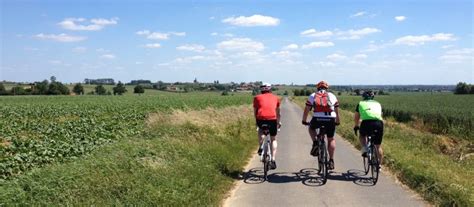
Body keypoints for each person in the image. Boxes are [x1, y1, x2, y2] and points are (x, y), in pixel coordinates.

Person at [302, 81, 340, 170]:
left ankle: (315, 142)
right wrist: (337, 120)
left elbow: (307, 109)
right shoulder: (332, 95)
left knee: (311, 128)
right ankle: (331, 160)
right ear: (327, 88)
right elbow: (337, 109)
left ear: (317, 88)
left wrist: (304, 120)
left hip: (317, 119)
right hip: (330, 119)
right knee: (330, 139)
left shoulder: (313, 95)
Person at [254, 83, 281, 169]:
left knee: (260, 130)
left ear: (261, 90)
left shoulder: (257, 98)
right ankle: (272, 160)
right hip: (272, 119)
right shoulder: (276, 98)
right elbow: (278, 113)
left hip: (261, 119)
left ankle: (261, 146)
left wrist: (256, 121)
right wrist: (278, 122)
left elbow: (255, 111)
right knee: (273, 139)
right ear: (270, 89)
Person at [353, 90, 384, 165]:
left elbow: (356, 117)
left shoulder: (361, 103)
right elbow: (381, 114)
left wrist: (356, 126)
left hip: (366, 123)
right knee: (378, 146)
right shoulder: (378, 104)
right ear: (373, 97)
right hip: (378, 123)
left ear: (363, 97)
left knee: (362, 136)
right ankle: (379, 165)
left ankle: (365, 149)